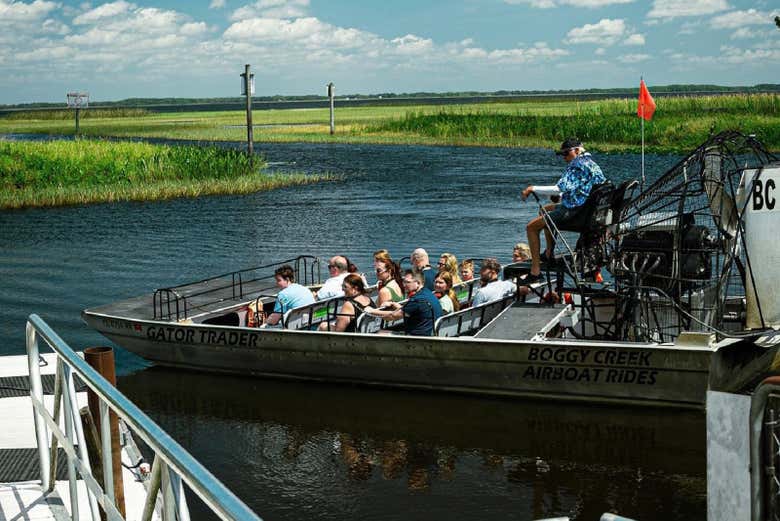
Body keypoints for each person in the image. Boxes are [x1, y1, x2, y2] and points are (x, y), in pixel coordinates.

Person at [522, 137, 606, 283]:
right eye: (563, 154)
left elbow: (558, 188)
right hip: (585, 209)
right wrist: (561, 196)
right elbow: (582, 188)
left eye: (566, 153)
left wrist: (532, 188)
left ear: (577, 150)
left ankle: (535, 272)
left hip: (575, 212)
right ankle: (549, 253)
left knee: (531, 227)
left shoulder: (577, 164)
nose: (565, 158)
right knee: (545, 210)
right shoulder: (591, 164)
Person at [365, 270, 442, 336]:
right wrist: (394, 304)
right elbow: (413, 311)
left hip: (417, 338)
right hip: (430, 333)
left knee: (380, 333)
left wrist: (372, 311)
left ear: (418, 283)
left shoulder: (416, 300)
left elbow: (393, 316)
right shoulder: (427, 293)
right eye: (404, 281)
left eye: (407, 282)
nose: (404, 285)